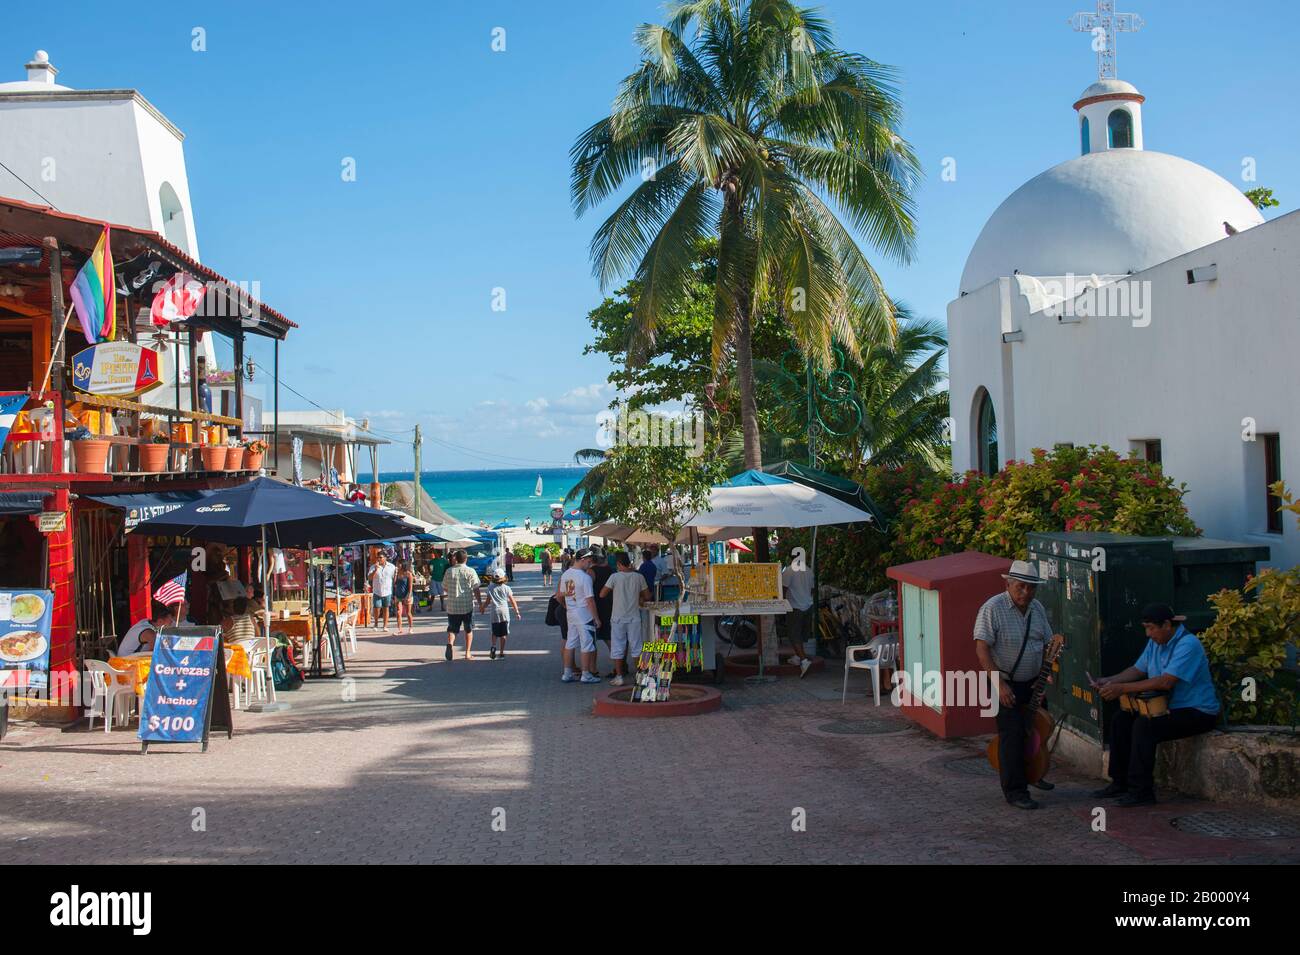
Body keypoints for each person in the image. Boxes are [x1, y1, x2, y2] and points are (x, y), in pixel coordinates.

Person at [1091, 603, 1220, 807]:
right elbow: (1137, 669)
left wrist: (1123, 689)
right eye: (1146, 628)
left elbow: (1165, 681)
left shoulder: (1188, 644)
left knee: (1145, 727)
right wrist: (1109, 680)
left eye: (1151, 628)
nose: (1148, 634)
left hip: (1197, 711)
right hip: (1168, 708)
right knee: (1121, 719)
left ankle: (1141, 791)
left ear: (1167, 625)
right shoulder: (1156, 643)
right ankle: (1119, 782)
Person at [973, 560, 1059, 810]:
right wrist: (998, 684)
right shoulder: (992, 608)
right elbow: (982, 648)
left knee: (1036, 731)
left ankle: (1034, 773)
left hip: (1033, 683)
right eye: (1021, 587)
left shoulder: (1038, 609)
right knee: (1011, 735)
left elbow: (1047, 643)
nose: (1026, 593)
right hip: (1004, 681)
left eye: (1031, 588)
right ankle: (1016, 791)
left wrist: (1048, 672)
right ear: (1008, 584)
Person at [600, 552, 649, 686]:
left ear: (619, 564)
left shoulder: (614, 577)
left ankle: (619, 676)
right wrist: (638, 597)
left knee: (617, 647)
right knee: (637, 647)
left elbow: (602, 594)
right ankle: (639, 676)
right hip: (634, 617)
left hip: (617, 618)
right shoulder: (639, 577)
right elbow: (647, 595)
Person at [558, 548, 601, 684]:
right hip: (584, 615)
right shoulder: (585, 577)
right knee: (587, 644)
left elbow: (560, 595)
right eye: (588, 561)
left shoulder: (566, 575)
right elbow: (590, 600)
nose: (590, 564)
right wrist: (596, 618)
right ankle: (586, 674)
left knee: (570, 643)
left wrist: (567, 606)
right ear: (582, 560)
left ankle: (567, 673)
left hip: (571, 613)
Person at [442, 549, 482, 661]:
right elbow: (476, 588)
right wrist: (480, 603)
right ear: (466, 559)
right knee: (468, 629)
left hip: (452, 606)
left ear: (456, 558)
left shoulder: (449, 571)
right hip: (467, 605)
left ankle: (450, 644)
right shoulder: (470, 571)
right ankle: (467, 653)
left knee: (452, 629)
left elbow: (444, 587)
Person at [781, 557, 816, 677]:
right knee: (802, 634)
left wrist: (782, 604)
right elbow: (812, 589)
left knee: (793, 634)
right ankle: (797, 656)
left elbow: (783, 590)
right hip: (808, 606)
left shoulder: (788, 571)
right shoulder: (809, 570)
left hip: (795, 607)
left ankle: (804, 660)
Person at [481, 572, 522, 660]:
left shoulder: (490, 588)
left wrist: (483, 608)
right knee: (504, 633)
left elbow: (488, 601)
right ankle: (502, 652)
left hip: (494, 612)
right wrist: (517, 612)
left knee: (494, 631)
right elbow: (512, 601)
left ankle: (493, 646)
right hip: (504, 612)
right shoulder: (507, 588)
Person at [369, 551, 396, 632]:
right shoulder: (373, 567)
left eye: (380, 557)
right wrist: (375, 570)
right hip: (377, 590)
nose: (379, 559)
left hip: (387, 591)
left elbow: (393, 579)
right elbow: (370, 578)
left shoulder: (391, 567)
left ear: (385, 558)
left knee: (386, 608)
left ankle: (385, 625)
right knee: (377, 608)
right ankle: (376, 624)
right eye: (378, 557)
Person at [392, 560, 414, 635]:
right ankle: (399, 629)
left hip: (407, 595)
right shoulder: (397, 573)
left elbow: (410, 587)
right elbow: (394, 584)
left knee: (408, 613)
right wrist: (395, 574)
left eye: (399, 564)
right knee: (398, 612)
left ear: (403, 565)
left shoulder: (408, 574)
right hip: (398, 595)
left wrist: (408, 596)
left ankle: (410, 627)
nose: (397, 565)